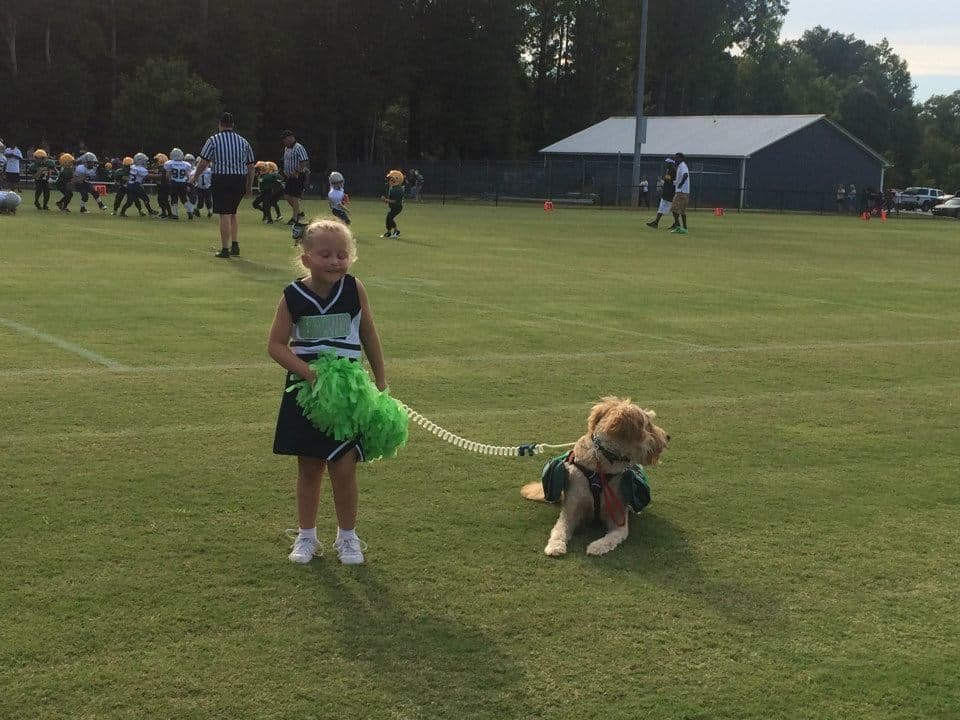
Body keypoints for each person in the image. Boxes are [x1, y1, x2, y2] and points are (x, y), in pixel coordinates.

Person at [267, 218, 388, 565]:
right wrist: (309, 375)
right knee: (309, 467)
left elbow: (369, 335)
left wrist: (380, 382)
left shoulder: (354, 289)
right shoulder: (293, 295)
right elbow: (275, 346)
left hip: (348, 394)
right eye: (325, 255)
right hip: (307, 394)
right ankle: (307, 537)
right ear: (306, 258)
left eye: (342, 254)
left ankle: (347, 538)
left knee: (344, 467)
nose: (335, 261)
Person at [194, 112, 256, 258]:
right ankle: (235, 245)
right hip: (239, 179)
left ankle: (225, 249)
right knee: (233, 213)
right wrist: (249, 186)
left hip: (222, 178)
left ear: (220, 125)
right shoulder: (243, 141)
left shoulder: (214, 140)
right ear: (233, 125)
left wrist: (195, 177)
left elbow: (203, 162)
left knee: (225, 214)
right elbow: (251, 166)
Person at [280, 130, 309, 226]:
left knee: (295, 197)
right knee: (287, 196)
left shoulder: (298, 147)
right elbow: (286, 160)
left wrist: (297, 171)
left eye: (285, 139)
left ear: (291, 137)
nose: (284, 141)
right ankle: (299, 213)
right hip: (289, 176)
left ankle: (295, 218)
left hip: (298, 176)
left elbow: (304, 161)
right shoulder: (286, 148)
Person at [164, 148, 197, 219]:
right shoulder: (186, 164)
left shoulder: (169, 163)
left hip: (174, 183)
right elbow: (187, 175)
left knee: (174, 199)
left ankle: (175, 215)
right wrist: (188, 184)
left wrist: (169, 181)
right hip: (183, 183)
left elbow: (167, 175)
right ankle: (190, 211)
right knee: (184, 198)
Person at [645, 159, 676, 229]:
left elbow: (673, 182)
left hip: (669, 193)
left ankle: (677, 224)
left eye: (667, 163)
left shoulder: (673, 171)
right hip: (666, 192)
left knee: (672, 209)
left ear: (671, 164)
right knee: (662, 208)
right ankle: (656, 222)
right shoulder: (669, 171)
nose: (666, 164)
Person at [380, 169, 405, 238]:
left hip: (397, 207)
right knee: (390, 218)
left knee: (389, 218)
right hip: (395, 207)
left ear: (395, 179)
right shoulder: (393, 188)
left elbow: (395, 201)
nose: (389, 180)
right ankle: (395, 231)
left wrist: (386, 200)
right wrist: (386, 200)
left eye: (390, 179)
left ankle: (390, 232)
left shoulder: (397, 189)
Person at [671, 152, 690, 234]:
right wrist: (676, 182)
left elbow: (685, 175)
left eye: (676, 158)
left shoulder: (682, 166)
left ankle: (679, 226)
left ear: (681, 158)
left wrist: (681, 184)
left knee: (674, 209)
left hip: (681, 192)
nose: (675, 159)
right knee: (682, 211)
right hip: (683, 191)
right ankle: (684, 228)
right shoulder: (680, 166)